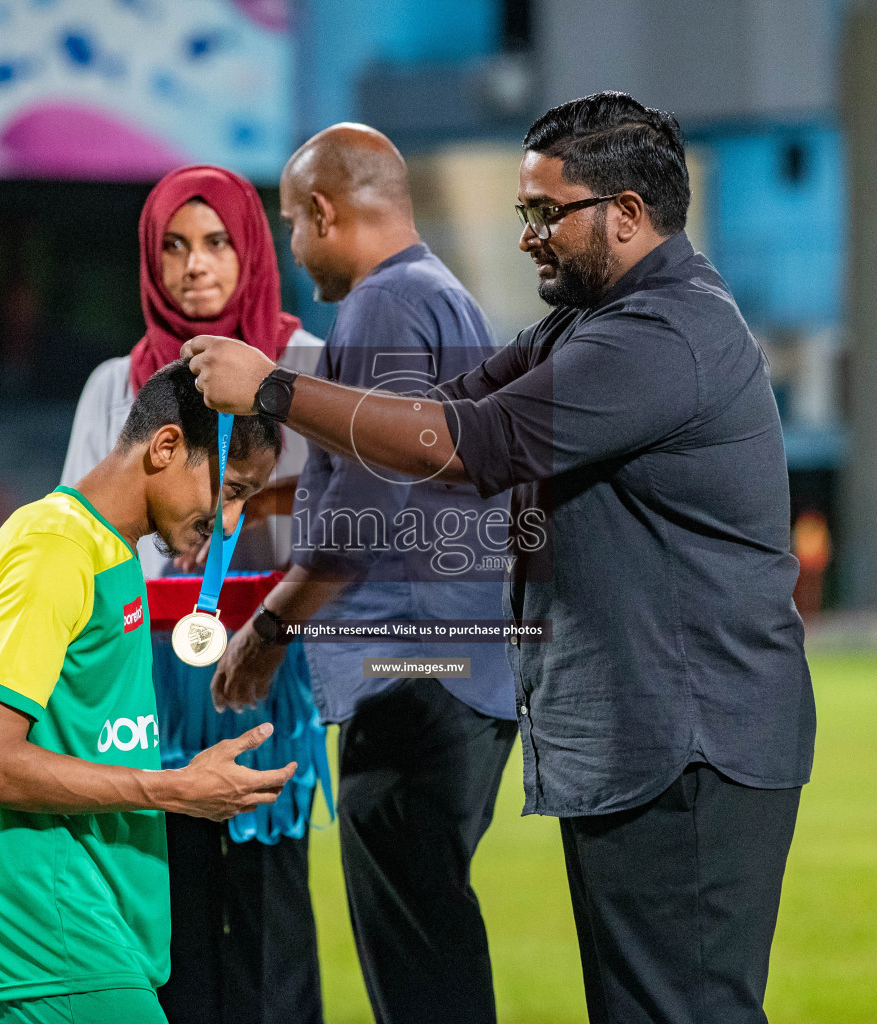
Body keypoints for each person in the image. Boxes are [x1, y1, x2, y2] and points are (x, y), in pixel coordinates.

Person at [185, 92, 817, 1024]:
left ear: (627, 215)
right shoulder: (589, 324)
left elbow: (463, 444)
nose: (527, 237)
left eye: (543, 214)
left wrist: (276, 390)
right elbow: (442, 415)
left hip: (689, 737)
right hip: (650, 733)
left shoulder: (661, 335)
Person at [209, 123, 518, 1024]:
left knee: (418, 956)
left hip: (413, 675)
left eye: (288, 223)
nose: (289, 245)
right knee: (431, 931)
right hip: (460, 675)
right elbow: (413, 473)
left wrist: (269, 630)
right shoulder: (442, 295)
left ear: (323, 212)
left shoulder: (384, 304)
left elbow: (371, 507)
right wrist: (271, 507)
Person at [61, 164, 329, 1024]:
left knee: (269, 926)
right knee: (167, 927)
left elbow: (346, 526)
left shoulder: (304, 366)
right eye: (174, 246)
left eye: (216, 243)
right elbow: (84, 540)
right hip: (149, 683)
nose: (195, 266)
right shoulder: (119, 382)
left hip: (267, 666)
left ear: (250, 249)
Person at [0, 360, 296, 1024]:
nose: (229, 524)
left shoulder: (110, 550)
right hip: (56, 933)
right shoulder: (54, 550)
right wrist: (174, 791)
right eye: (229, 490)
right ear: (165, 446)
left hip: (101, 931)